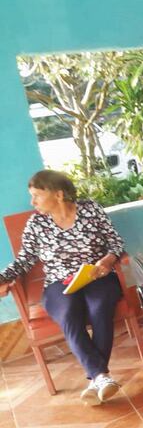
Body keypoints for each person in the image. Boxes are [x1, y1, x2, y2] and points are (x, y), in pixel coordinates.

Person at [0, 170, 124, 405]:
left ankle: (96, 379)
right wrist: (2, 277)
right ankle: (101, 376)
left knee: (100, 309)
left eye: (37, 195)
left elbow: (115, 242)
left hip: (95, 276)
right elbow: (25, 259)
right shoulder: (36, 223)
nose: (32, 202)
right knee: (68, 314)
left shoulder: (90, 210)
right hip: (59, 283)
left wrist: (107, 261)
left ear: (58, 195)